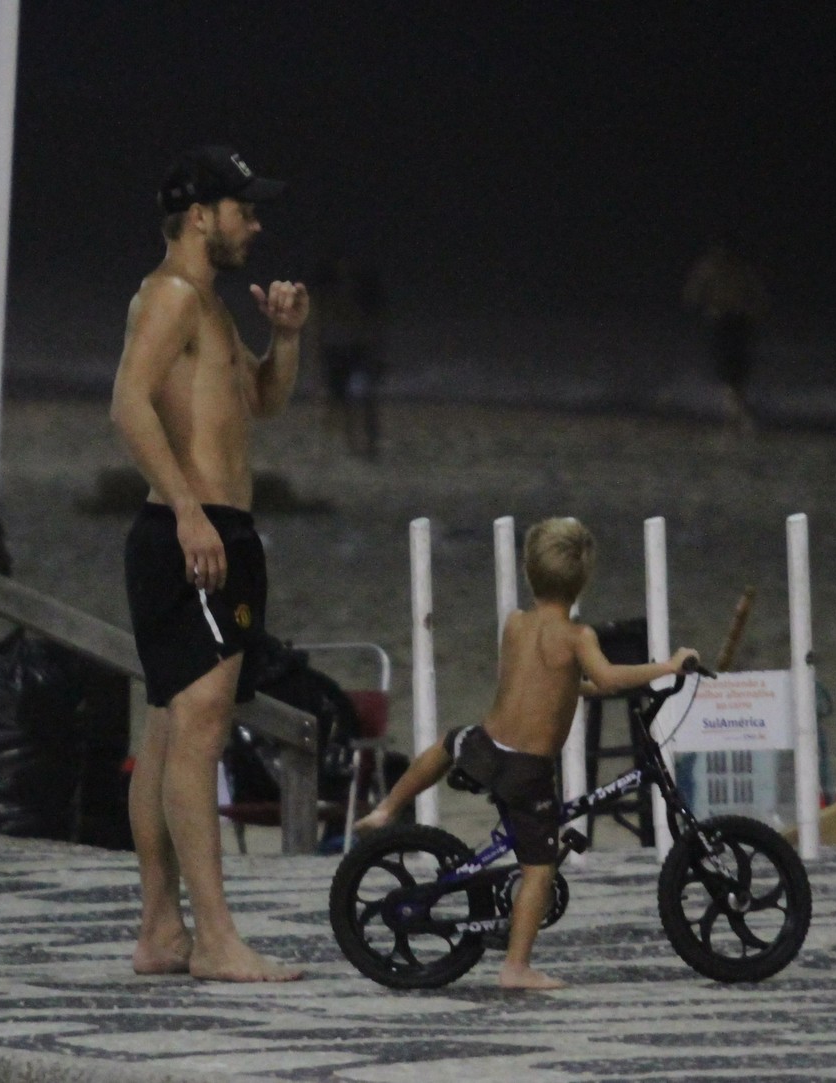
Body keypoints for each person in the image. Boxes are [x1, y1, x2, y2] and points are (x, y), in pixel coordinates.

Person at [110, 144, 309, 983]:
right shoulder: (170, 296)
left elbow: (260, 400)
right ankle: (216, 940)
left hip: (216, 526)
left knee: (169, 728)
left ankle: (162, 928)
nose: (256, 224)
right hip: (191, 531)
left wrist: (286, 337)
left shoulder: (212, 306)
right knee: (199, 727)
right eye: (244, 209)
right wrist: (191, 512)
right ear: (202, 215)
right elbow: (126, 401)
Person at [355, 517, 698, 990]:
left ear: (527, 570)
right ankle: (516, 967)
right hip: (525, 769)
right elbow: (609, 678)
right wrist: (669, 665)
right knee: (540, 866)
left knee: (447, 743)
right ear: (584, 580)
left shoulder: (516, 624)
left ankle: (387, 808)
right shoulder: (579, 637)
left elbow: (540, 684)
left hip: (486, 746)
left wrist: (580, 690)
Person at [683, 236, 770, 433]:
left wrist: (754, 309)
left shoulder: (732, 268)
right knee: (730, 368)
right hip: (724, 319)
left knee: (734, 367)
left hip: (735, 320)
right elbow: (692, 294)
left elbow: (692, 295)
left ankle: (737, 412)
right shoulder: (714, 268)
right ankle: (736, 412)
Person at [310, 251, 386, 459]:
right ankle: (348, 444)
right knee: (336, 400)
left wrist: (375, 353)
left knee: (362, 396)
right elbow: (318, 327)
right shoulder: (327, 296)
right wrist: (316, 356)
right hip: (337, 352)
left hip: (356, 351)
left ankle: (367, 443)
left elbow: (372, 327)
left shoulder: (363, 296)